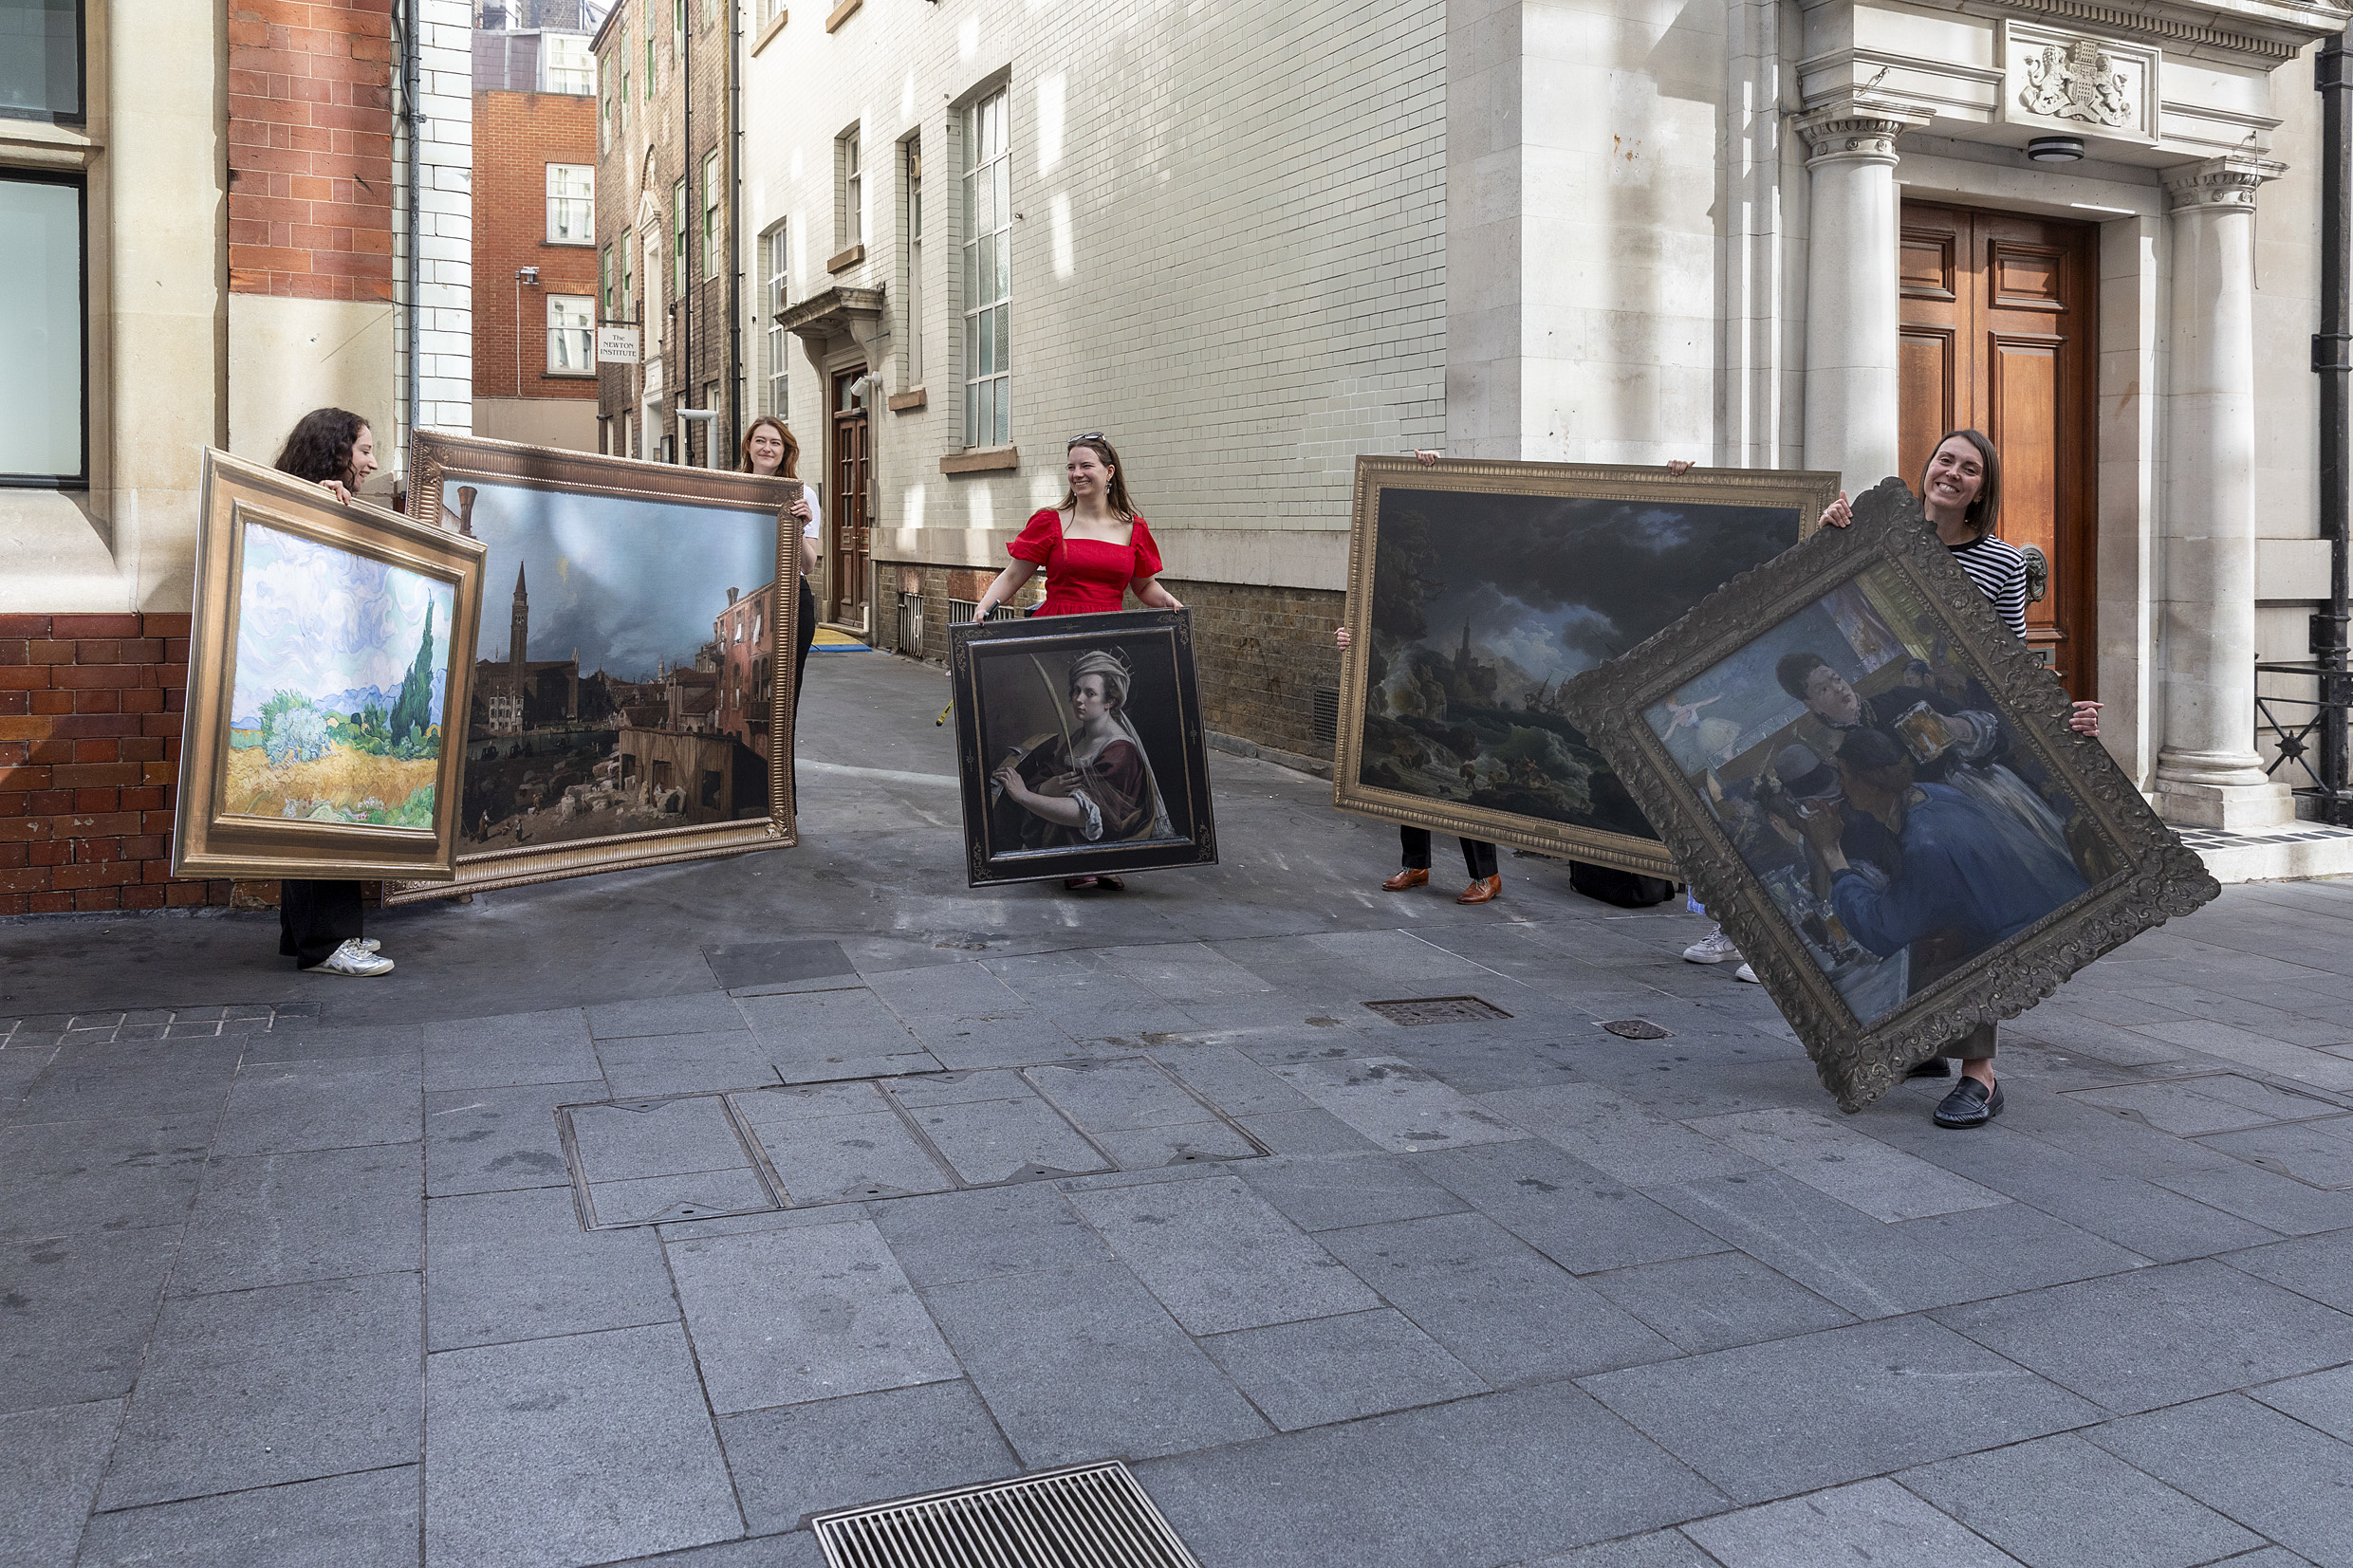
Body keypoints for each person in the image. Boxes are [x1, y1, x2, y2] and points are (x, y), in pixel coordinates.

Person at [1817, 427, 2103, 1127]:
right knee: (1921, 896)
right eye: (1945, 459)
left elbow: (2005, 680)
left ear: (1982, 489)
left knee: (1968, 909)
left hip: (1971, 777)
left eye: (1969, 468)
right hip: (1896, 777)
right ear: (1925, 469)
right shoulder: (1874, 543)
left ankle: (1981, 1072)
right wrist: (1824, 534)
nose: (1952, 472)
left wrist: (2061, 719)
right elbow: (1800, 600)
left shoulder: (2001, 564)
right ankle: (1924, 1035)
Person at [969, 434, 1185, 891]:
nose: (1077, 474)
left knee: (1112, 757)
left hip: (1107, 636)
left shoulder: (1133, 526)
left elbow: (1144, 587)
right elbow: (1014, 574)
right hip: (1057, 634)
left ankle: (1106, 851)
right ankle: (1071, 858)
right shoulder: (1051, 521)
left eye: (1086, 466)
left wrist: (1168, 602)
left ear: (1109, 472)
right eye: (1070, 467)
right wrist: (984, 608)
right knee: (1071, 756)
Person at [270, 408, 394, 978]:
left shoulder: (329, 505)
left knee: (314, 801)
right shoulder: (297, 504)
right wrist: (306, 505)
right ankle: (327, 943)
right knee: (325, 802)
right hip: (307, 687)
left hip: (315, 683)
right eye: (365, 450)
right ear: (336, 452)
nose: (373, 462)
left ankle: (305, 936)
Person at [990, 649, 1179, 854]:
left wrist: (1024, 796)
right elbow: (1051, 774)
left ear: (1110, 701)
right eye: (1076, 690)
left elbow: (1087, 815)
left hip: (1101, 849)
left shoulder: (1120, 752)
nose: (1079, 699)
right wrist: (1045, 789)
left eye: (1090, 693)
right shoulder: (1079, 738)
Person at [741, 415, 819, 716]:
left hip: (791, 598)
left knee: (785, 695)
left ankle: (780, 764)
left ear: (785, 451)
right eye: (760, 440)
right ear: (748, 446)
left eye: (776, 443)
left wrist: (799, 527)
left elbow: (809, 566)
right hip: (750, 599)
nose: (768, 448)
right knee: (748, 686)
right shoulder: (731, 489)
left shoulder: (802, 495)